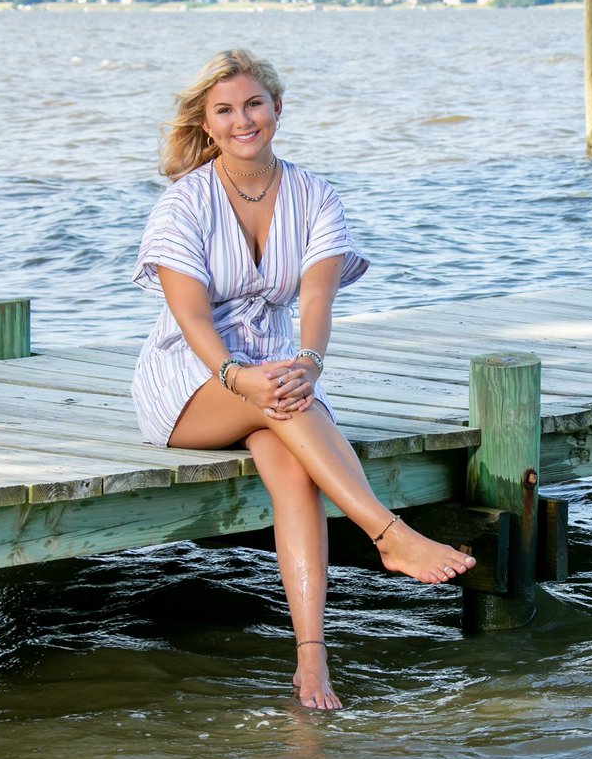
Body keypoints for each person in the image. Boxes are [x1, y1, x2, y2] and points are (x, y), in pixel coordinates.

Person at [130, 48, 476, 711]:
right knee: (286, 406)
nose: (242, 120)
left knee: (292, 465)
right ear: (206, 124)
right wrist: (238, 378)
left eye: (253, 104)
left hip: (279, 376)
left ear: (278, 108)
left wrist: (309, 363)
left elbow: (316, 303)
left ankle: (312, 662)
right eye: (225, 111)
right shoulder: (183, 204)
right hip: (190, 378)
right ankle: (387, 534)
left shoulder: (314, 196)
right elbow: (191, 316)